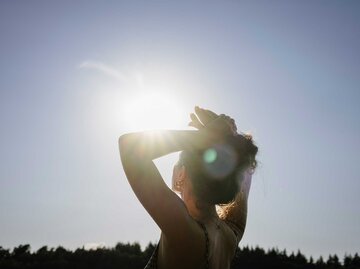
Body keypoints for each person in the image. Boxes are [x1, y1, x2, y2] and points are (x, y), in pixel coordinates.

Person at [118, 106, 258, 269]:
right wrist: (228, 140)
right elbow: (245, 169)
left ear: (181, 173)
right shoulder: (230, 237)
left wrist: (205, 137)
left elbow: (129, 147)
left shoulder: (183, 232)